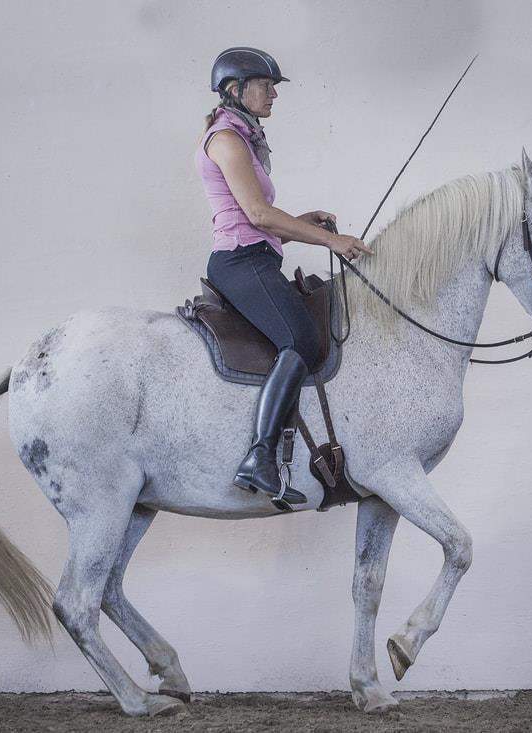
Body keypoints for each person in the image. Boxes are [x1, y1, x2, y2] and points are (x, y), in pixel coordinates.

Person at [196, 47, 372, 508]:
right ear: (236, 90)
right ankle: (260, 458)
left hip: (253, 255)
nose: (274, 93)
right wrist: (326, 239)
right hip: (241, 262)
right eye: (266, 84)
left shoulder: (243, 135)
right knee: (304, 340)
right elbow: (257, 214)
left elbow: (255, 218)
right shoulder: (227, 139)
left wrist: (302, 221)